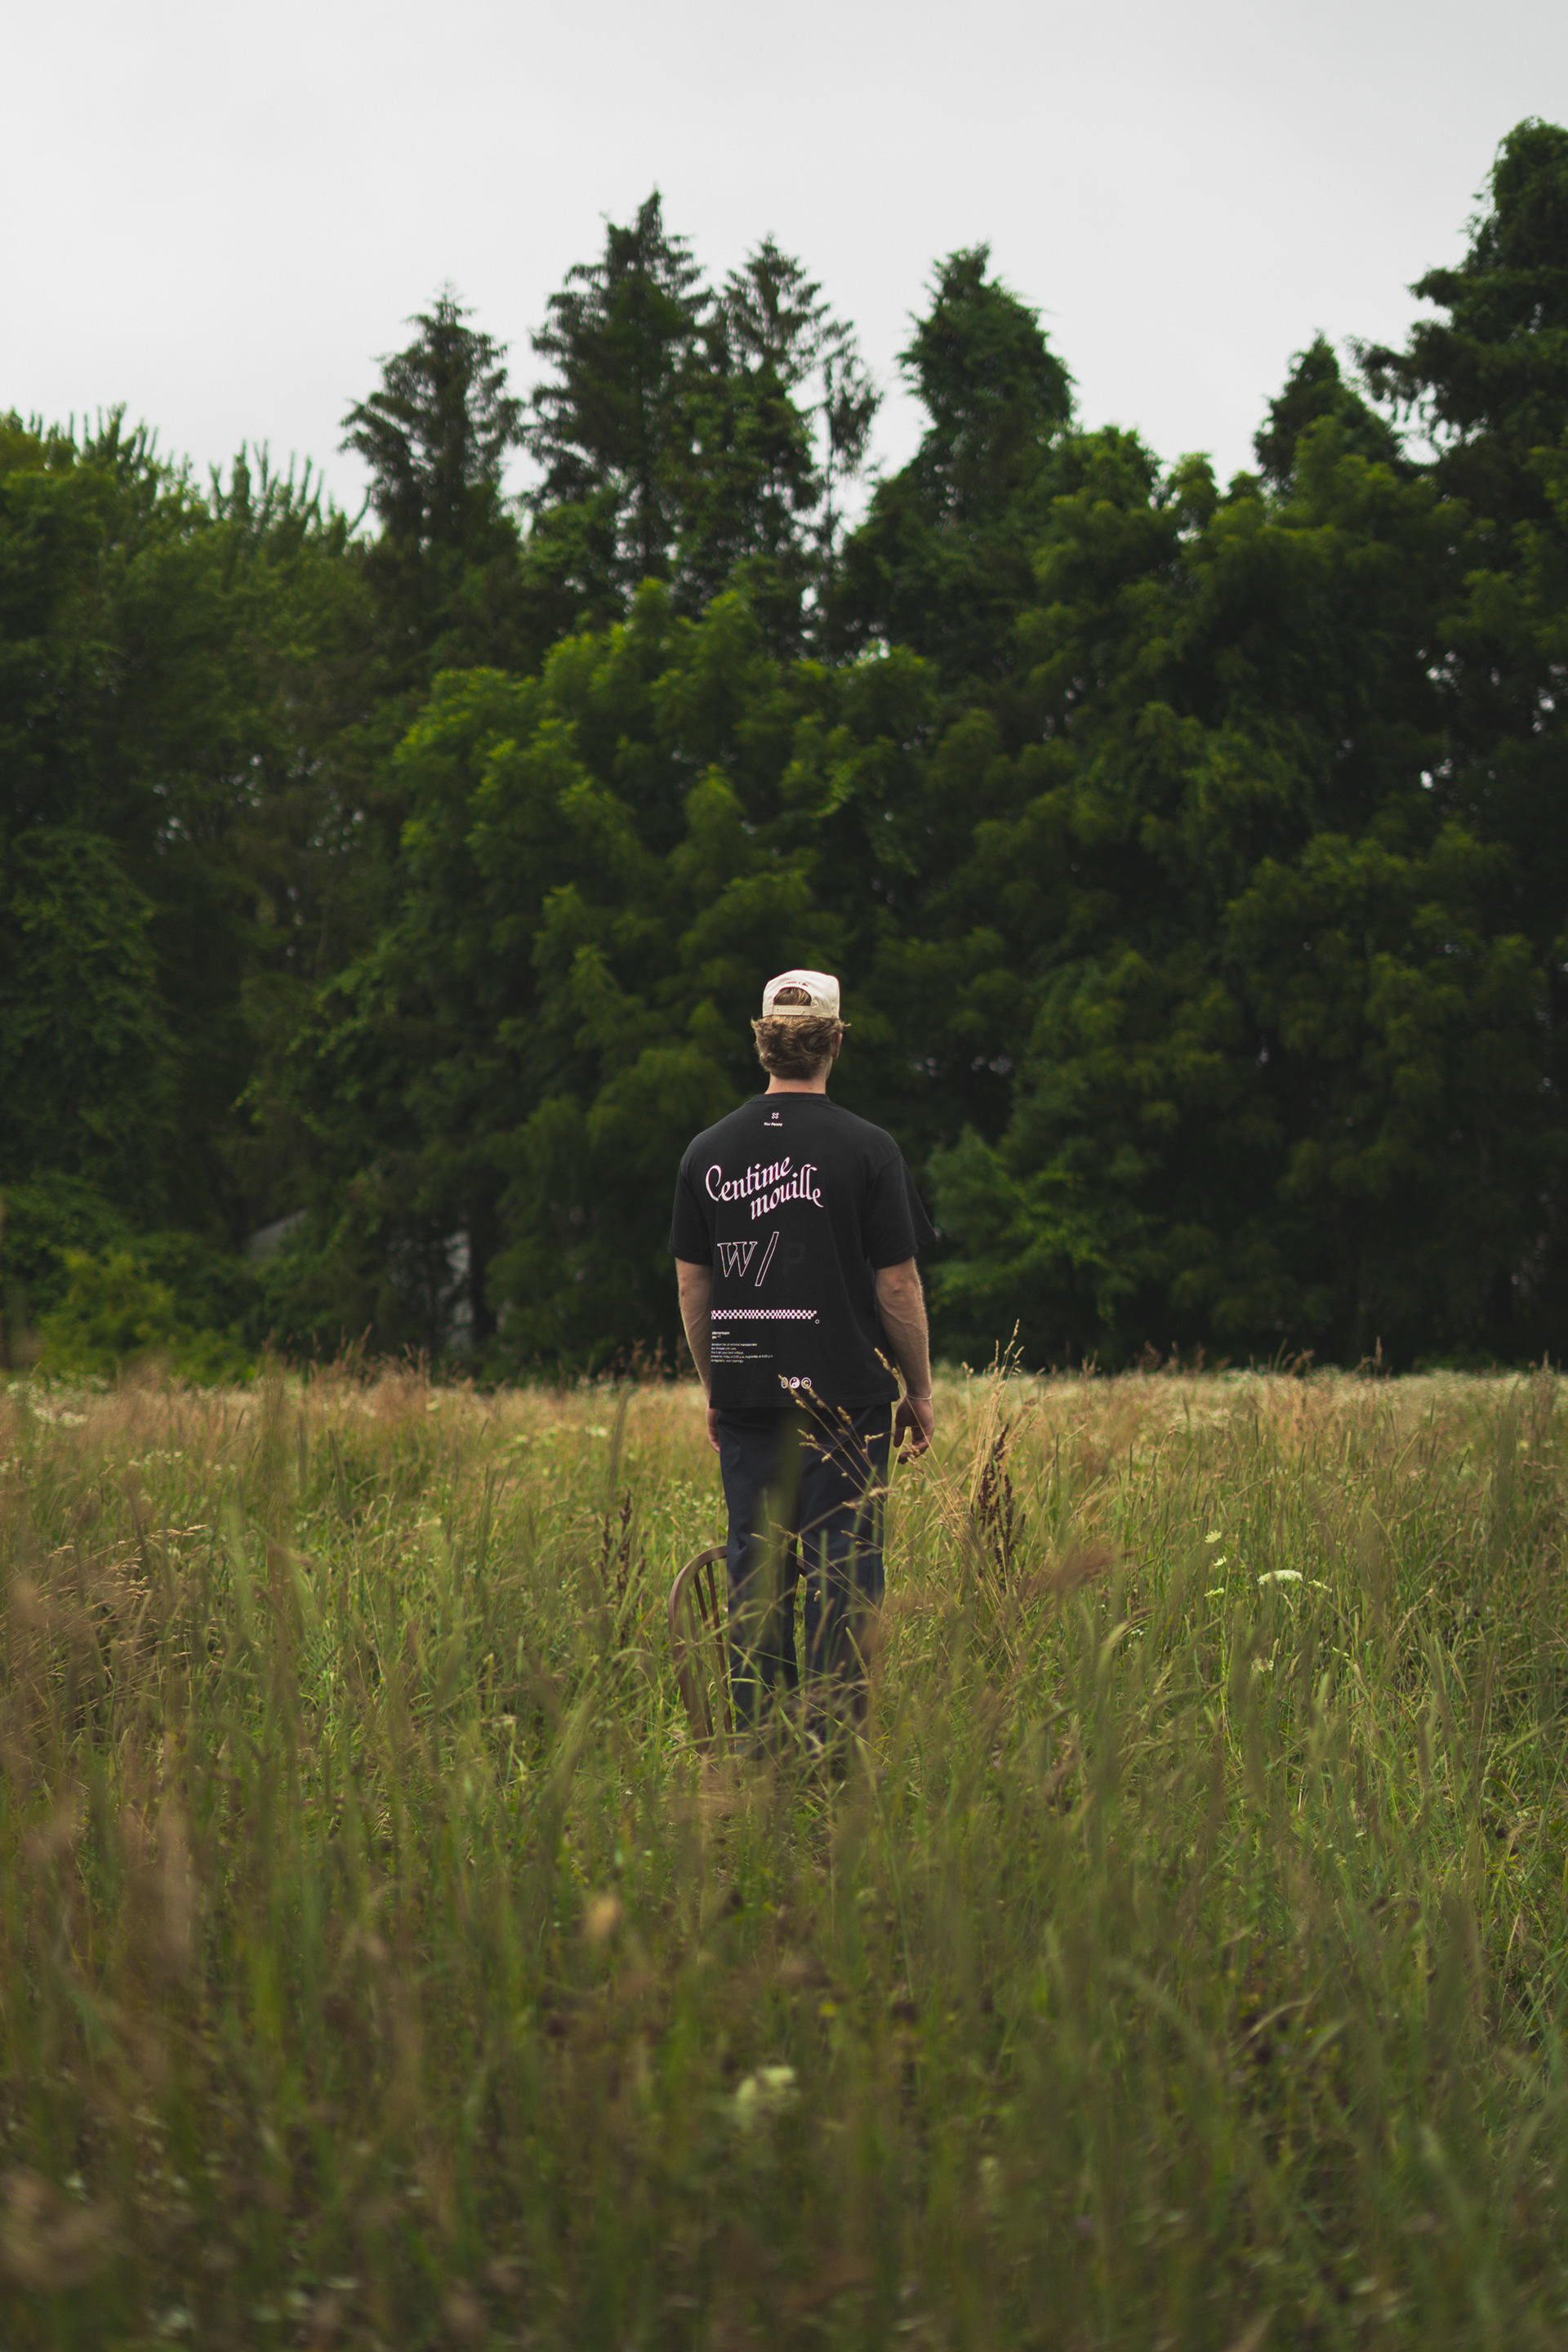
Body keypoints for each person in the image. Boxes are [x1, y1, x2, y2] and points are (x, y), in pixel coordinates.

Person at [669, 969, 937, 1748]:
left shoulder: (707, 1151)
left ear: (762, 1043)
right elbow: (897, 1284)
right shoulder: (870, 1149)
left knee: (757, 1574)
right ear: (836, 1043)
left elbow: (693, 1286)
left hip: (749, 1392)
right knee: (842, 1575)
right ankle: (833, 1757)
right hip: (849, 1399)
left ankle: (761, 1757)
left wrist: (716, 1387)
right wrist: (918, 1389)